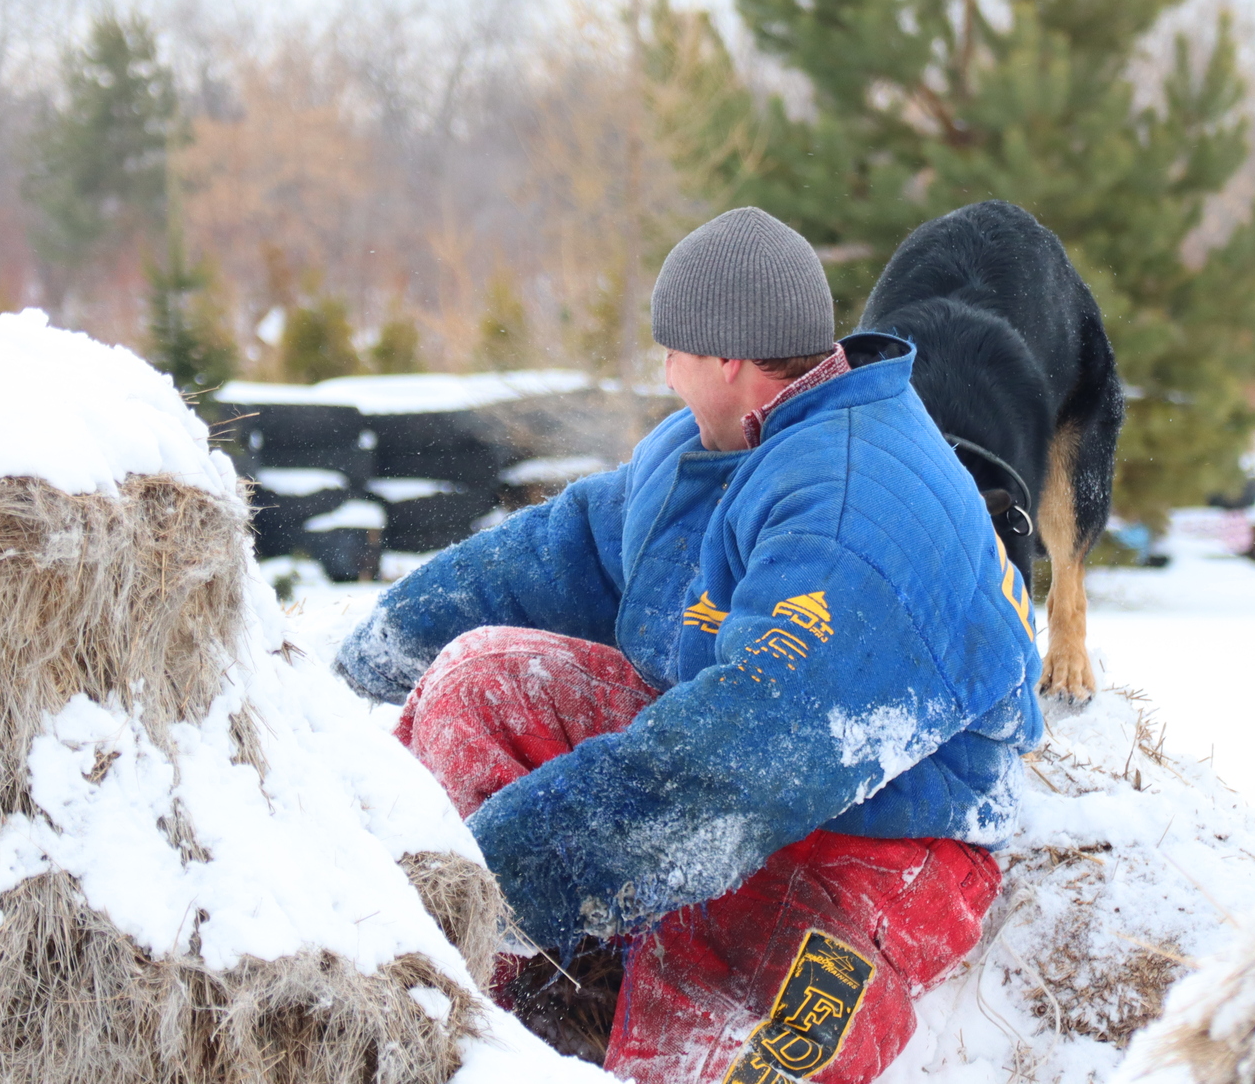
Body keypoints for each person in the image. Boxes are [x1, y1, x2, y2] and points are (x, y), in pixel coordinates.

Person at [335, 207, 1044, 1083]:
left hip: (884, 835)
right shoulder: (711, 446)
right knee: (480, 682)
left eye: (672, 351)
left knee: (713, 1015)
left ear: (727, 360)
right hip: (725, 760)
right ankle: (470, 1023)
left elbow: (734, 773)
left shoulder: (856, 506)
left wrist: (489, 887)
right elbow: (563, 551)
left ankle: (506, 958)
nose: (665, 373)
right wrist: (348, 664)